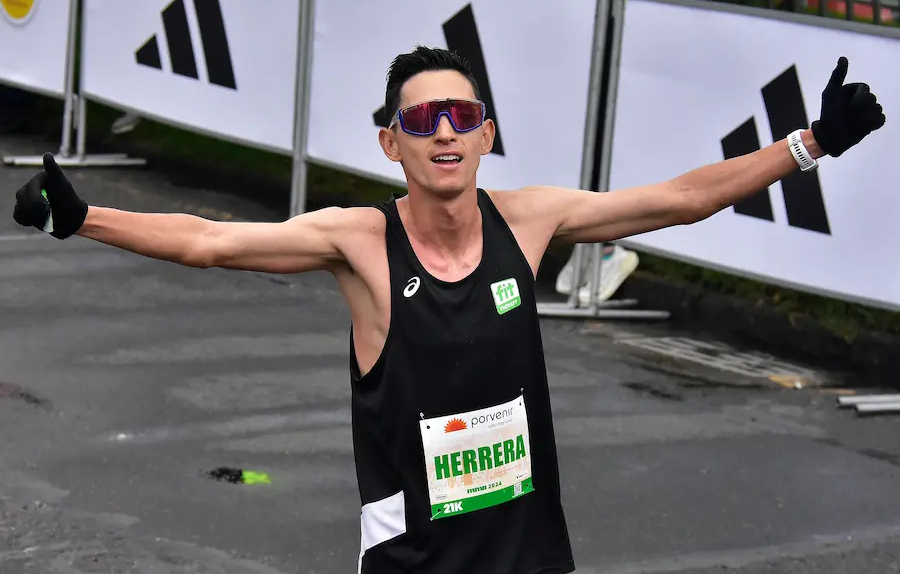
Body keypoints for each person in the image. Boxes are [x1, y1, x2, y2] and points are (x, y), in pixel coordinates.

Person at [11, 48, 884, 573]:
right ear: (390, 140)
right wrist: (84, 218)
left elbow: (680, 200)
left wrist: (807, 144)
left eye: (460, 115)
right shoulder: (357, 241)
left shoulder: (532, 219)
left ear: (486, 133)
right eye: (422, 117)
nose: (443, 131)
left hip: (530, 556)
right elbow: (212, 240)